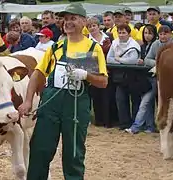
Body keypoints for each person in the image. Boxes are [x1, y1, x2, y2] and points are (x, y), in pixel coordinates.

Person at [18, 3, 108, 179]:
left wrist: (86, 75)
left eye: (72, 18)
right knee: (39, 150)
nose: (68, 22)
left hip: (75, 106)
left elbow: (103, 82)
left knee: (73, 153)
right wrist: (28, 100)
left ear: (83, 21)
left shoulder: (92, 48)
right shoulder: (56, 47)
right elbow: (37, 74)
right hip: (50, 105)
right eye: (65, 19)